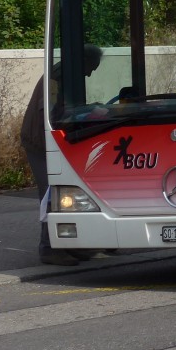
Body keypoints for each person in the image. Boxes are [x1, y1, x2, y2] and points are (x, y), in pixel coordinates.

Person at [21, 44, 102, 266]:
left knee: (62, 195)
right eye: (91, 67)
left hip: (48, 142)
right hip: (41, 143)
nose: (90, 73)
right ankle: (48, 248)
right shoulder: (58, 77)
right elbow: (49, 111)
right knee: (50, 195)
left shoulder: (63, 74)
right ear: (82, 61)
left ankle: (71, 246)